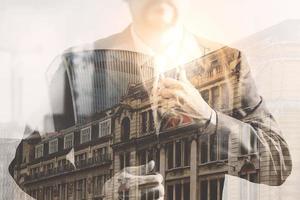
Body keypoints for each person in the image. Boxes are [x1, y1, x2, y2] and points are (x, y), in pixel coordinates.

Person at [10, 0, 292, 200]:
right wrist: (100, 194)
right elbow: (23, 168)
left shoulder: (229, 63)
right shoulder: (78, 66)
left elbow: (277, 165)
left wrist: (210, 121)